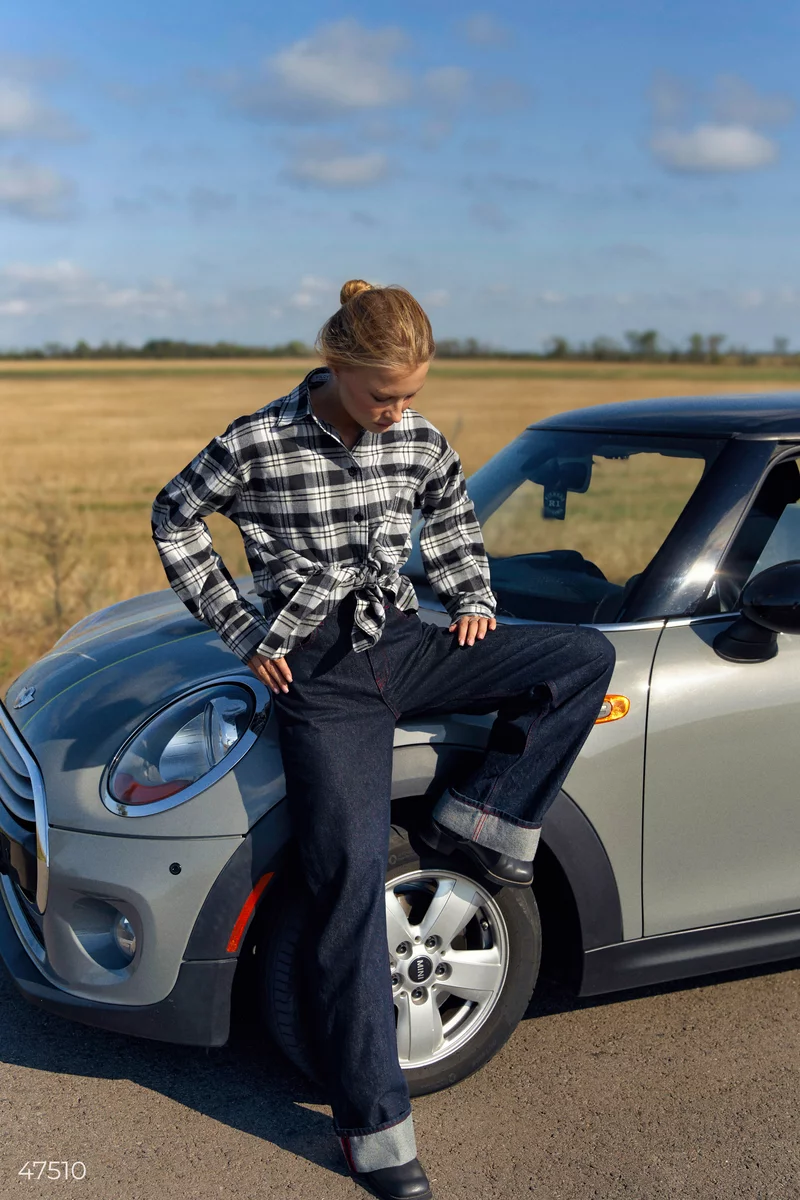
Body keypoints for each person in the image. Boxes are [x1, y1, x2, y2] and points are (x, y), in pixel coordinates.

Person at [150, 279, 616, 1200]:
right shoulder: (259, 440)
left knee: (581, 657)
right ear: (335, 364)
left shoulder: (418, 438)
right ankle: (373, 1128)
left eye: (410, 395)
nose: (397, 412)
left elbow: (448, 511)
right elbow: (175, 517)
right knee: (351, 892)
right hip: (320, 680)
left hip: (404, 646)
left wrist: (472, 596)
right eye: (380, 395)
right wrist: (245, 632)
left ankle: (483, 822)